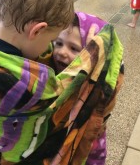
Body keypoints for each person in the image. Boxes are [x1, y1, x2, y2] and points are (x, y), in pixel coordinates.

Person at [0, 0, 124, 165]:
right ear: (37, 31)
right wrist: (97, 54)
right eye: (52, 40)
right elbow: (58, 98)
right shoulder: (31, 86)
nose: (50, 49)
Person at [52, 12, 121, 165]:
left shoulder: (97, 92)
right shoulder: (51, 74)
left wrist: (93, 61)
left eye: (74, 49)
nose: (62, 52)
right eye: (58, 43)